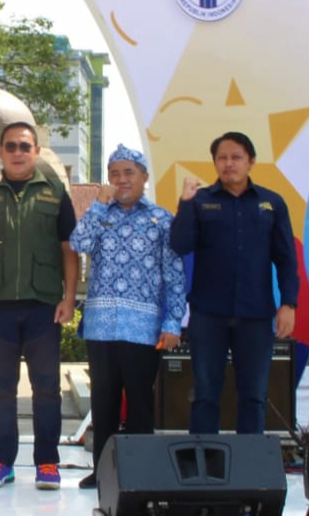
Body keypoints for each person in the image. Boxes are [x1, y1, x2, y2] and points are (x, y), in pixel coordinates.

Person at [0, 121, 79, 490]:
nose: (18, 153)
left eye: (25, 146)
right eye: (11, 146)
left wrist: (69, 298)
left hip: (43, 304)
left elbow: (69, 248)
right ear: (0, 151)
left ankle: (47, 462)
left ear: (36, 151)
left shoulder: (54, 190)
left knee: (47, 389)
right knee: (2, 388)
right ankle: (0, 461)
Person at [69, 144, 187, 489]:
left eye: (129, 173)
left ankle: (140, 474)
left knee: (140, 403)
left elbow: (174, 277)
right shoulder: (100, 214)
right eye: (115, 174)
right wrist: (97, 206)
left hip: (142, 328)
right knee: (103, 402)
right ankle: (103, 472)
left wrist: (172, 323)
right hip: (101, 326)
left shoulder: (161, 220)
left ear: (144, 177)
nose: (122, 180)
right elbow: (77, 243)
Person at [169, 131, 298, 435]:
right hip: (208, 315)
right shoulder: (199, 201)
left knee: (254, 396)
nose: (229, 164)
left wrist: (288, 304)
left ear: (251, 161)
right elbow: (180, 244)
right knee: (204, 395)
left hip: (256, 315)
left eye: (236, 157)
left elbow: (286, 259)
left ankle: (249, 461)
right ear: (214, 162)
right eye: (222, 158)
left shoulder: (272, 203)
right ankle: (203, 460)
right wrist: (185, 203)